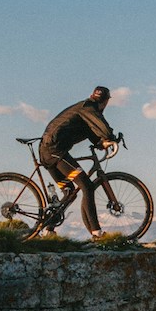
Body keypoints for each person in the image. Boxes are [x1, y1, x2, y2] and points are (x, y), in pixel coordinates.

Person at [40, 86, 117, 239]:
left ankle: (48, 229)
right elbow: (102, 127)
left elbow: (91, 132)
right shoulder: (89, 107)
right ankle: (97, 232)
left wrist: (101, 144)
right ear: (106, 101)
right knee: (87, 186)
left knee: (69, 191)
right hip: (55, 151)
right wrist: (111, 137)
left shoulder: (84, 110)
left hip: (48, 151)